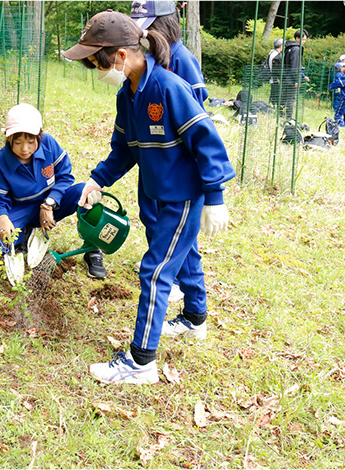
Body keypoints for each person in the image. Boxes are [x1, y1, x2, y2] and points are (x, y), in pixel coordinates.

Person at [63, 10, 235, 385]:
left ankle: (141, 362)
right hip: (155, 193)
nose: (97, 71)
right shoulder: (128, 94)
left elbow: (207, 141)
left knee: (155, 272)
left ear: (121, 56)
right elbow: (124, 149)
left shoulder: (169, 88)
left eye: (97, 63)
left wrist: (215, 195)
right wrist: (96, 180)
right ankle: (194, 320)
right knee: (177, 255)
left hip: (182, 197)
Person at [130, 0, 210, 304]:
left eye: (146, 26)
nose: (141, 33)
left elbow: (198, 122)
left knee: (179, 235)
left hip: (177, 171)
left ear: (165, 24)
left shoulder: (182, 61)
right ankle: (172, 274)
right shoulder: (146, 58)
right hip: (153, 163)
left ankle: (182, 288)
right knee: (152, 220)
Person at [0, 103, 106, 279]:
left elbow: (65, 177)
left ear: (39, 136)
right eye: (18, 142)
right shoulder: (0, 164)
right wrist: (2, 219)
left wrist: (49, 204)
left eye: (31, 142)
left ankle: (92, 249)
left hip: (52, 203)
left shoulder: (49, 145)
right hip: (20, 210)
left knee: (86, 195)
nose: (25, 149)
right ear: (9, 139)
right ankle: (23, 233)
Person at [130, 0, 208, 104]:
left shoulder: (182, 58)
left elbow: (197, 96)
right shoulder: (149, 57)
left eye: (147, 28)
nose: (143, 35)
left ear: (165, 24)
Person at [281, 29, 311, 121]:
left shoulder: (289, 48)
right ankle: (288, 118)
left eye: (305, 40)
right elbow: (295, 65)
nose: (304, 42)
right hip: (291, 79)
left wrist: (302, 76)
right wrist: (296, 80)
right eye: (303, 39)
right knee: (291, 98)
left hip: (285, 77)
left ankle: (281, 115)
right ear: (297, 38)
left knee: (284, 98)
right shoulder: (296, 49)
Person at [265, 37, 284, 108]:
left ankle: (272, 106)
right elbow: (277, 69)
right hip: (276, 79)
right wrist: (280, 78)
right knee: (277, 96)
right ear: (281, 46)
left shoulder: (271, 53)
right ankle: (275, 108)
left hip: (272, 78)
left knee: (273, 94)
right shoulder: (278, 56)